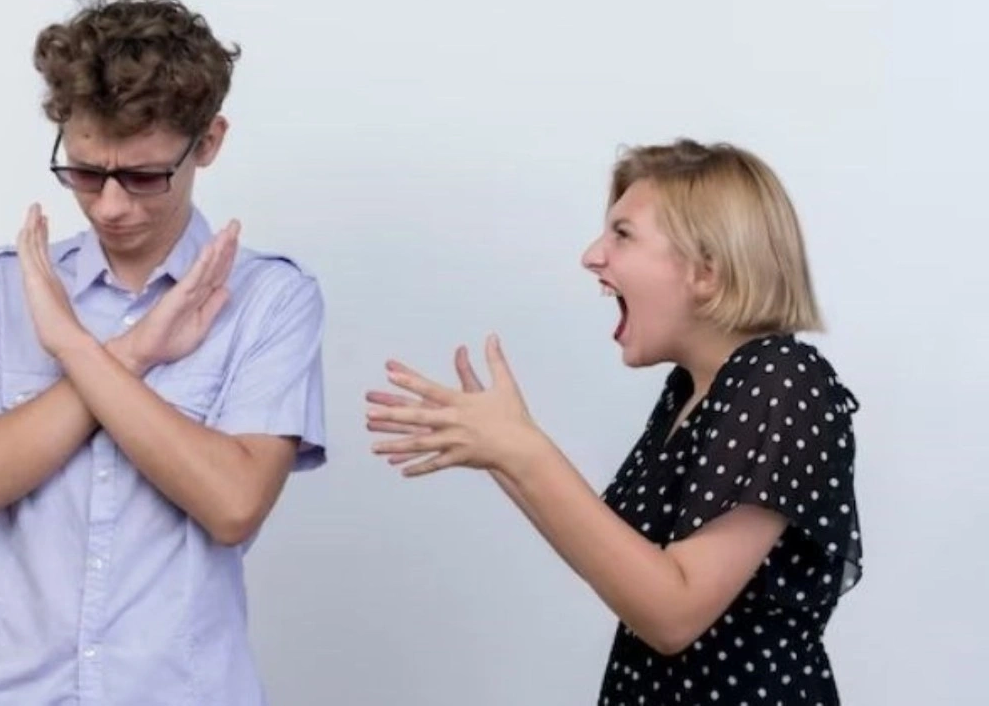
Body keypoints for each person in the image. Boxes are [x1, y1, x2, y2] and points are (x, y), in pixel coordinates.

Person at [0, 0, 326, 705]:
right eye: (85, 171)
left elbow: (233, 502)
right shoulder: (5, 285)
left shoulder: (271, 298)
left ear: (209, 143)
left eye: (143, 176)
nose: (110, 205)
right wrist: (135, 352)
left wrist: (75, 348)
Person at [365, 139, 863, 705]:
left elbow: (673, 612)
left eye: (622, 234)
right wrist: (501, 451)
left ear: (707, 269)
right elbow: (619, 566)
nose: (592, 255)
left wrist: (525, 452)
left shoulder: (781, 378)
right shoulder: (690, 392)